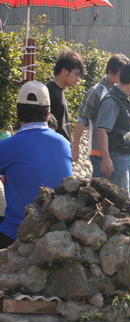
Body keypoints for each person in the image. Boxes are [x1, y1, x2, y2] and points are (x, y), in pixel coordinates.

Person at [0, 81, 72, 249]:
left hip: (17, 233)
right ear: (48, 115)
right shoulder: (64, 143)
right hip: (56, 232)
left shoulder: (7, 146)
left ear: (18, 114)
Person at [96, 59, 130, 201]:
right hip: (117, 158)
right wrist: (106, 158)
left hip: (129, 157)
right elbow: (102, 130)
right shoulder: (111, 101)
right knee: (120, 201)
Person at [72, 54, 129, 177]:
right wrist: (75, 147)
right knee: (101, 191)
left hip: (118, 151)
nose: (124, 78)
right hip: (99, 153)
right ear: (110, 72)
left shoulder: (125, 92)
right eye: (121, 75)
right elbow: (82, 119)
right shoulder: (96, 92)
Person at [46, 51, 85, 142]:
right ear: (64, 71)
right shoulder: (49, 91)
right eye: (76, 74)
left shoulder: (59, 90)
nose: (78, 79)